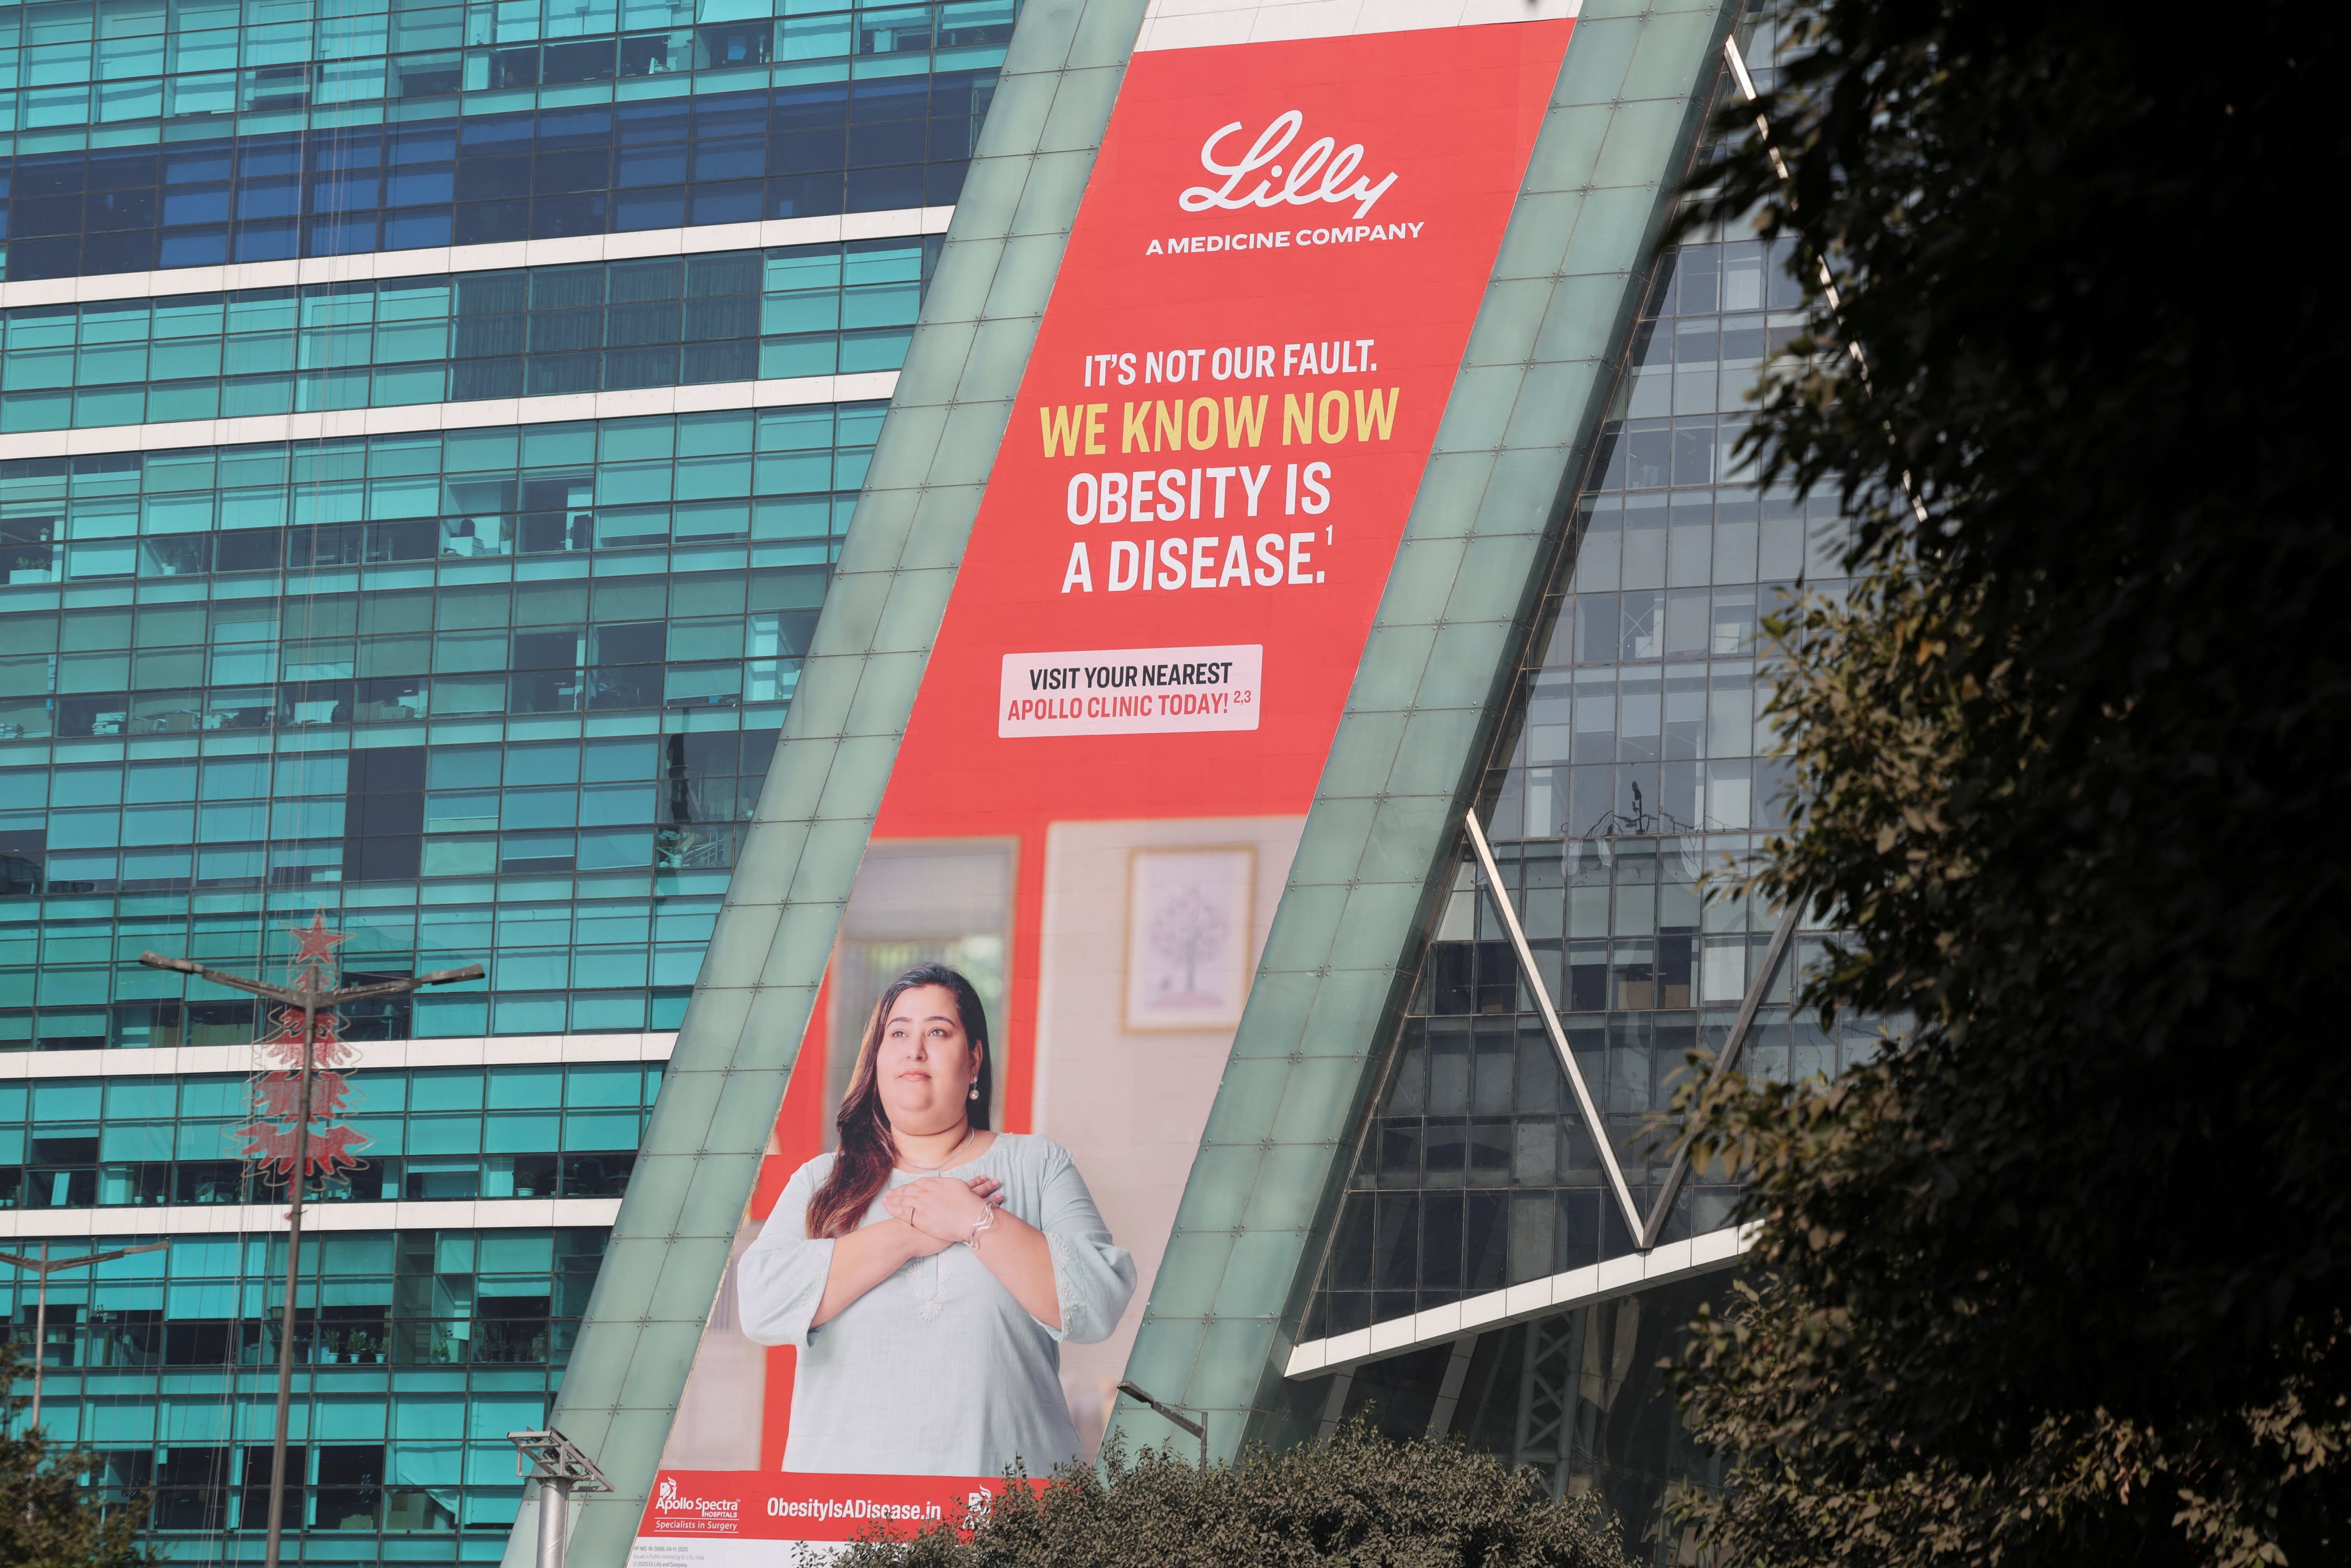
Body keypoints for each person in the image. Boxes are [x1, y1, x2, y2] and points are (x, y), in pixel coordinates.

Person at [736, 962, 1136, 1476]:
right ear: (877, 1058)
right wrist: (910, 1233)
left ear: (973, 1060)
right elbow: (762, 1305)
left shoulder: (1038, 1166)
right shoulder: (820, 1182)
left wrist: (975, 1220)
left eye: (938, 1032)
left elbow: (1096, 1304)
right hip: (840, 1516)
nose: (914, 1049)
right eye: (897, 1032)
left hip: (1007, 1513)